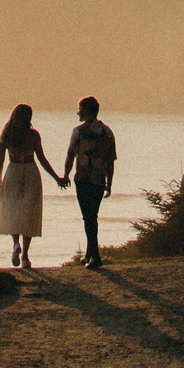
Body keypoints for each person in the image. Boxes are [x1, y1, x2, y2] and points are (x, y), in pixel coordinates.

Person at [0, 102, 63, 269]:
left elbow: (0, 161)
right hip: (30, 171)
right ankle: (25, 256)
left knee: (14, 210)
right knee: (29, 212)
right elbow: (42, 159)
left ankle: (16, 244)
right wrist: (56, 178)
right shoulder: (33, 135)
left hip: (13, 171)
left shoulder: (6, 134)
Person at [58, 96, 117, 269]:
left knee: (88, 218)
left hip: (83, 179)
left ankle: (95, 256)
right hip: (99, 180)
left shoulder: (78, 131)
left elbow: (70, 155)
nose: (78, 112)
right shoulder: (107, 132)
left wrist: (66, 174)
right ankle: (90, 253)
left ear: (87, 110)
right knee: (92, 216)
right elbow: (110, 161)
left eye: (80, 108)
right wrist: (110, 183)